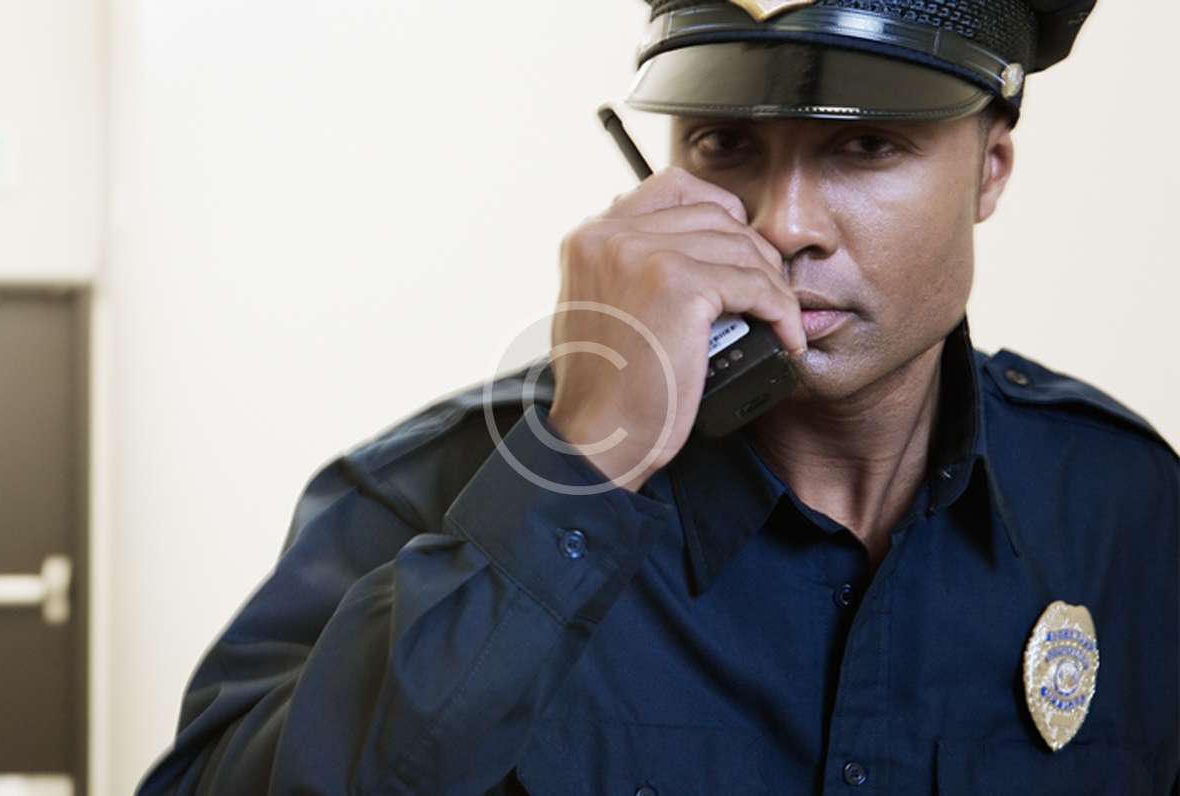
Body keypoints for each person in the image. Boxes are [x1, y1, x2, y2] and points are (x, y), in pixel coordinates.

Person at [137, 1, 1179, 793]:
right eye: (726, 144)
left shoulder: (1125, 509)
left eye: (866, 145)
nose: (783, 224)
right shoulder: (434, 491)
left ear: (990, 171)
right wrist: (584, 464)